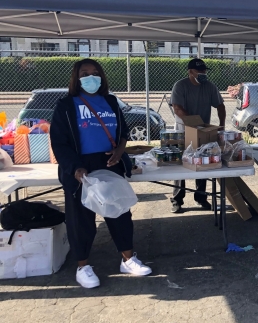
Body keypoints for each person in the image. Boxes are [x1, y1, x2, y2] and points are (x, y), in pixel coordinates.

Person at [50, 58, 152, 289]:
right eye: (85, 73)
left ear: (102, 77)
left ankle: (128, 259)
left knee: (119, 213)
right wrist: (75, 168)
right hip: (80, 167)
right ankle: (83, 266)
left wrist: (119, 151)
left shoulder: (111, 101)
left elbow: (124, 133)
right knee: (80, 219)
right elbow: (59, 142)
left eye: (95, 72)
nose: (91, 77)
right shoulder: (66, 105)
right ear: (77, 78)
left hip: (108, 163)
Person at [170, 58, 226, 213]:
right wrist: (194, 123)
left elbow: (220, 106)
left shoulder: (209, 87)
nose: (203, 73)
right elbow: (177, 108)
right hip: (183, 131)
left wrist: (221, 125)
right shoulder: (180, 86)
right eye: (199, 71)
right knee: (182, 164)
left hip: (203, 132)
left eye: (204, 71)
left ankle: (201, 197)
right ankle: (177, 199)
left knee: (202, 163)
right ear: (190, 72)